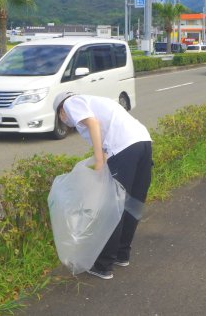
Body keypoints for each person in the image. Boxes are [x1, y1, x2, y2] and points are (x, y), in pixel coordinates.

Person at [53, 92, 153, 280]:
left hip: (123, 147)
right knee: (132, 202)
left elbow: (93, 124)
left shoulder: (71, 103)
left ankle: (103, 265)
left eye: (61, 118)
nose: (65, 121)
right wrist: (103, 158)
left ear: (60, 111)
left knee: (112, 205)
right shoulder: (95, 101)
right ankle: (122, 255)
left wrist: (99, 160)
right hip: (143, 142)